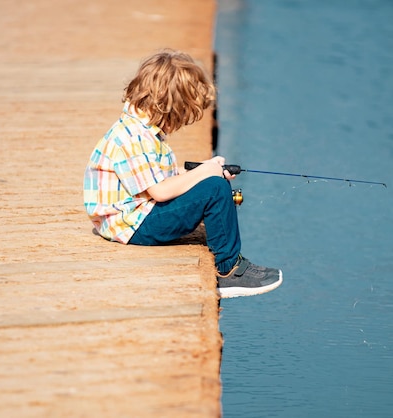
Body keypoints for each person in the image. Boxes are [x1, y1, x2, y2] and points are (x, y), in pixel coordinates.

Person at [83, 49, 282, 298]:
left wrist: (204, 170)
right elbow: (160, 191)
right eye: (181, 117)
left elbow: (159, 178)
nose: (179, 125)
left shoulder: (139, 129)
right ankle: (228, 270)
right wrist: (206, 176)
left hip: (132, 218)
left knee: (210, 183)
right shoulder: (133, 138)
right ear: (170, 108)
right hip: (131, 225)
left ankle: (230, 260)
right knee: (215, 189)